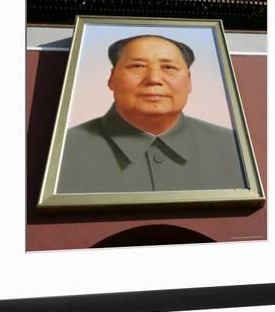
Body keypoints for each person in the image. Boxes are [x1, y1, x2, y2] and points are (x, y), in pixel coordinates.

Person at [57, 34, 246, 193]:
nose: (154, 79)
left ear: (189, 81)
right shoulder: (64, 150)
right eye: (137, 66)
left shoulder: (233, 148)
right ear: (112, 78)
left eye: (169, 68)